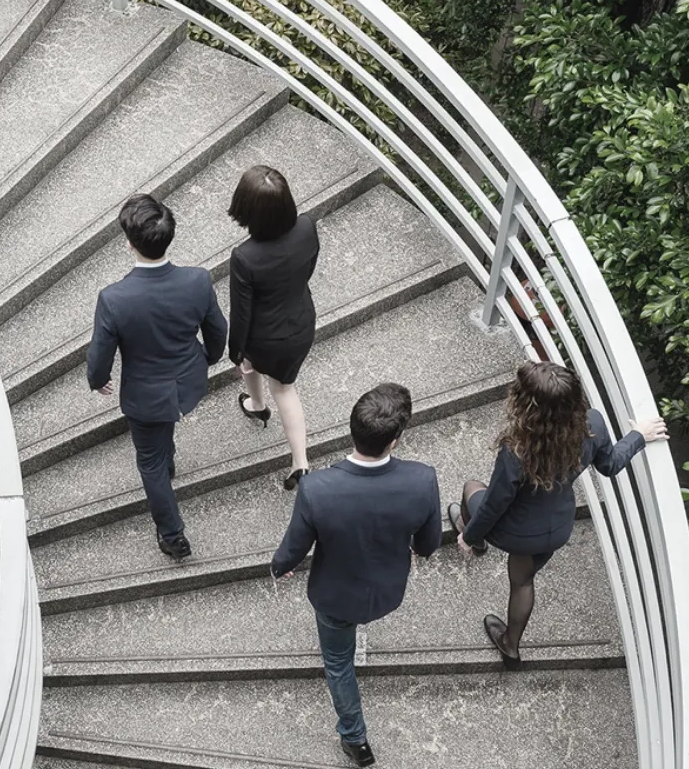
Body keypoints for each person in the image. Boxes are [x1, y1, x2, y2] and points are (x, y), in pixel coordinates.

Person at [448, 361, 669, 667]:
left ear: (525, 405)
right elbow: (611, 465)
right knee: (523, 581)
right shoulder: (593, 425)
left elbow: (493, 505)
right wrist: (639, 436)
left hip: (513, 532)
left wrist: (470, 538)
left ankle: (477, 541)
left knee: (472, 488)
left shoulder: (517, 451)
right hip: (556, 531)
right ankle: (510, 646)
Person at [271, 383, 442, 767]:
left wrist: (279, 567)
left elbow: (295, 547)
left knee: (337, 663)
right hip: (386, 591)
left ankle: (355, 739)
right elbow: (429, 543)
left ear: (352, 429)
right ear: (396, 439)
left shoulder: (317, 488)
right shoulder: (423, 479)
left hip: (335, 597)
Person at [87, 194, 227, 560]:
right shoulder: (197, 280)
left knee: (149, 464)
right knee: (162, 439)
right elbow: (217, 330)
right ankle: (169, 459)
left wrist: (96, 378)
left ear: (130, 244)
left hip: (147, 397)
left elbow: (101, 353)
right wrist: (207, 358)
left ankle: (172, 534)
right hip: (188, 382)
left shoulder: (115, 298)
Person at [227, 166, 319, 490]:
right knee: (285, 386)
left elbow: (241, 314)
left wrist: (235, 351)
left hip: (264, 338)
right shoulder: (307, 226)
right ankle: (299, 462)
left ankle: (259, 406)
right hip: (302, 323)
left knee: (257, 369)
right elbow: (309, 268)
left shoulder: (245, 257)